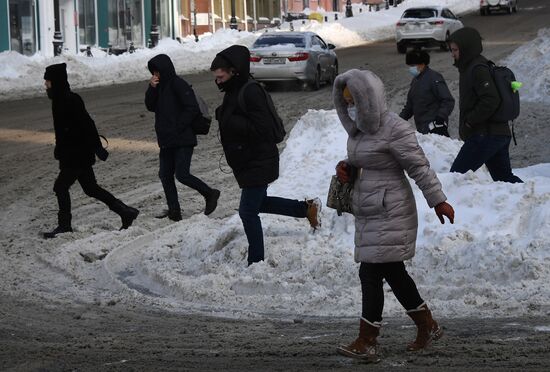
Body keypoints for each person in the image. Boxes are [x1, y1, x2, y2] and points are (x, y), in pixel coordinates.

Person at [333, 69, 455, 362]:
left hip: (391, 210)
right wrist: (346, 168)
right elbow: (360, 161)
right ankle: (428, 326)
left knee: (371, 272)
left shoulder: (394, 128)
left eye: (355, 101)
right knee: (394, 273)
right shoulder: (359, 130)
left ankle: (368, 340)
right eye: (346, 102)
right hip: (370, 209)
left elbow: (419, 167)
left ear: (368, 100)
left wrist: (438, 200)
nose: (351, 107)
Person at [210, 45, 321, 266]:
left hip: (258, 160)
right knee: (259, 203)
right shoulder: (235, 90)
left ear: (234, 71)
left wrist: (229, 120)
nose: (218, 81)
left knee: (247, 212)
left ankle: (256, 262)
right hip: (248, 161)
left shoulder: (251, 91)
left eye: (221, 76)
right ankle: (306, 209)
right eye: (216, 77)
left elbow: (263, 129)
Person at [43, 63, 139, 239]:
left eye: (48, 82)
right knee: (91, 188)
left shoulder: (70, 100)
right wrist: (60, 147)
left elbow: (87, 124)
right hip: (73, 154)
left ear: (56, 82)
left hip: (77, 155)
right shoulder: (59, 100)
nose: (46, 85)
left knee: (60, 187)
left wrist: (97, 147)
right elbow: (64, 130)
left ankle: (65, 225)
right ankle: (125, 212)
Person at [145, 54, 220, 221]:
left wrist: (177, 127)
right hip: (166, 140)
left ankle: (210, 193)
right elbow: (150, 106)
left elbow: (191, 108)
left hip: (182, 138)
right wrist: (152, 88)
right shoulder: (159, 87)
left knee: (182, 174)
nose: (155, 75)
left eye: (157, 71)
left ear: (164, 69)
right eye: (153, 72)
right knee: (165, 175)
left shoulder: (178, 84)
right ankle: (174, 211)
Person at [447, 27, 523, 183]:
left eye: (455, 50)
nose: (452, 54)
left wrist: (469, 121)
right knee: (504, 179)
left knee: (456, 178)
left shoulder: (477, 69)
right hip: (497, 134)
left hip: (485, 135)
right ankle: (535, 203)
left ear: (466, 48)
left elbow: (491, 100)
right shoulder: (472, 67)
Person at [399, 49, 454, 137]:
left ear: (422, 64)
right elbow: (410, 106)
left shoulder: (434, 78)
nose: (411, 68)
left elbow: (448, 100)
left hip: (435, 129)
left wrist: (441, 116)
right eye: (410, 65)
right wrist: (399, 120)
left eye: (413, 65)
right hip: (422, 129)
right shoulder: (415, 81)